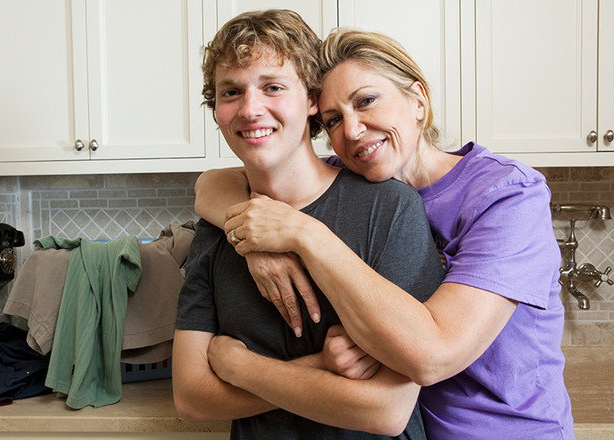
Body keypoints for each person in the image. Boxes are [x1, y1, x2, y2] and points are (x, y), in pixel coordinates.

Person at [195, 28, 575, 439]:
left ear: (417, 100)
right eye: (334, 119)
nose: (353, 131)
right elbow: (212, 184)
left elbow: (434, 356)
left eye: (366, 101)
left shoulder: (506, 195)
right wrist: (252, 239)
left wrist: (303, 234)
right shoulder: (352, 185)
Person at [172, 10, 444, 440]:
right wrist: (320, 367)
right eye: (231, 92)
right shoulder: (217, 224)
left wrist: (242, 368)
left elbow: (385, 410)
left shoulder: (389, 209)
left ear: (312, 99)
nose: (249, 109)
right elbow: (192, 397)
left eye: (273, 87)